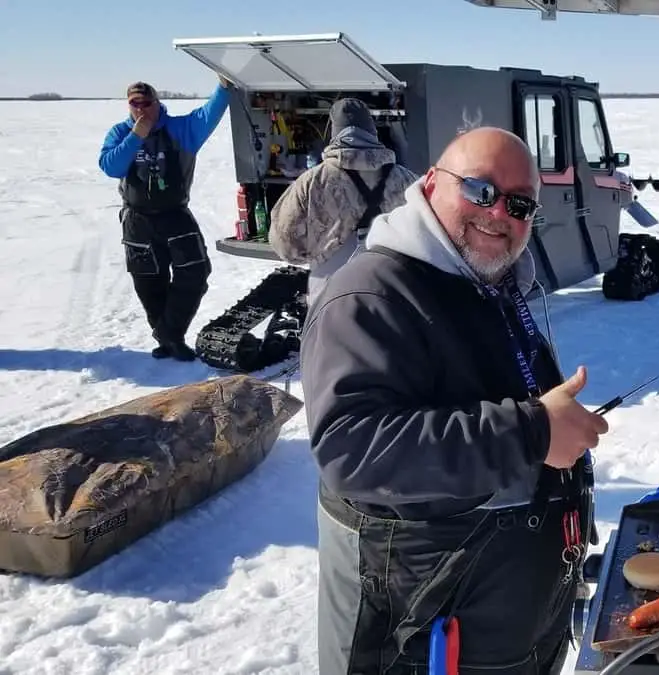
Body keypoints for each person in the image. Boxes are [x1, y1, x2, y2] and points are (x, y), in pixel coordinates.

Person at [301, 126, 609, 674]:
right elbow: (354, 449)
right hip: (421, 633)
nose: (499, 213)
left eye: (520, 204)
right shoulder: (370, 296)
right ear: (428, 184)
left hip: (502, 619)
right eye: (480, 190)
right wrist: (533, 432)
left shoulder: (488, 282)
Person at [98, 79, 232, 361]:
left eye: (147, 103)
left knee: (195, 272)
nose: (142, 109)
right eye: (135, 104)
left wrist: (223, 86)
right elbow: (111, 167)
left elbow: (210, 112)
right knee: (148, 283)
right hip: (137, 219)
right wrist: (136, 136)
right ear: (128, 105)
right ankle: (170, 340)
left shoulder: (180, 129)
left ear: (158, 102)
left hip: (175, 213)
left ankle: (169, 333)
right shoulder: (121, 132)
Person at [268, 98, 417, 303]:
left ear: (334, 134)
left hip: (332, 301)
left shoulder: (312, 182)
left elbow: (284, 244)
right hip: (394, 295)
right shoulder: (407, 179)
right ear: (372, 132)